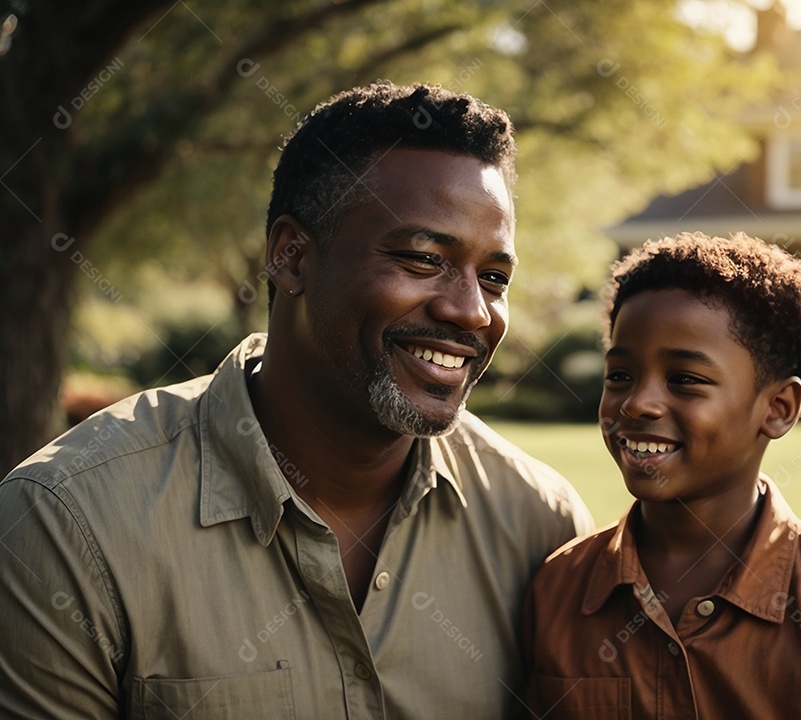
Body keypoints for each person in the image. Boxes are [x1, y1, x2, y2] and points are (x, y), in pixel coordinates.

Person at [0, 81, 593, 719]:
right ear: (291, 256)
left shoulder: (541, 526)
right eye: (424, 259)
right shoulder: (68, 524)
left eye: (494, 278)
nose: (471, 311)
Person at [522, 231, 801, 719]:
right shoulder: (557, 588)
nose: (638, 403)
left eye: (685, 379)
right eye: (620, 376)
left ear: (778, 408)